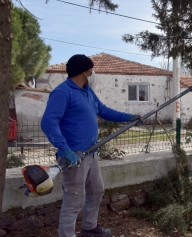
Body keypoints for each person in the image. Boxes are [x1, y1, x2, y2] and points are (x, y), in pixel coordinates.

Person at [41, 54, 142, 237]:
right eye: (90, 68)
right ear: (83, 70)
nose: (92, 71)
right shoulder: (63, 92)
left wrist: (128, 117)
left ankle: (89, 227)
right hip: (74, 156)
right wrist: (65, 150)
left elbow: (103, 111)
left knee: (96, 191)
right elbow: (48, 122)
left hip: (91, 154)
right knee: (74, 200)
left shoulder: (86, 90)